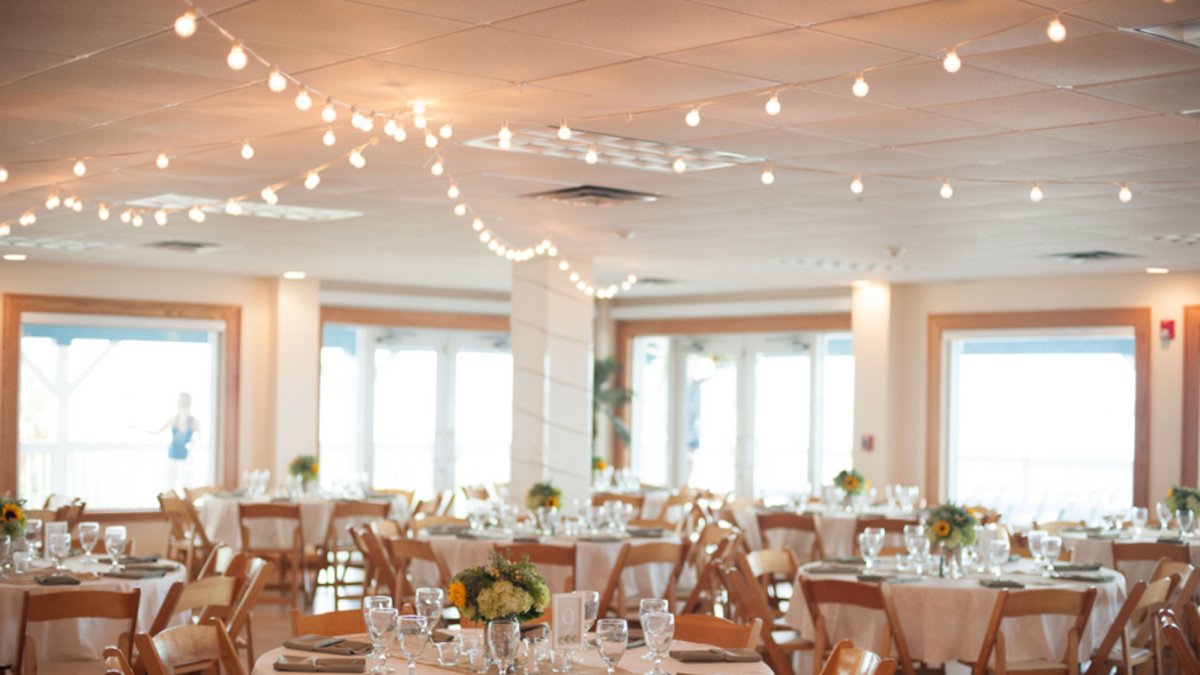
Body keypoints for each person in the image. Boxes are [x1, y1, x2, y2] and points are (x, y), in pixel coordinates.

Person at [153, 393, 201, 492]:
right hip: (172, 458)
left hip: (185, 459)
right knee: (169, 488)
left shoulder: (193, 422)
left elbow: (199, 440)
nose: (181, 404)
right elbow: (156, 432)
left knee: (187, 488)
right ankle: (170, 506)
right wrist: (138, 428)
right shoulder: (173, 420)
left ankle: (185, 506)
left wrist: (193, 444)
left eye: (184, 402)